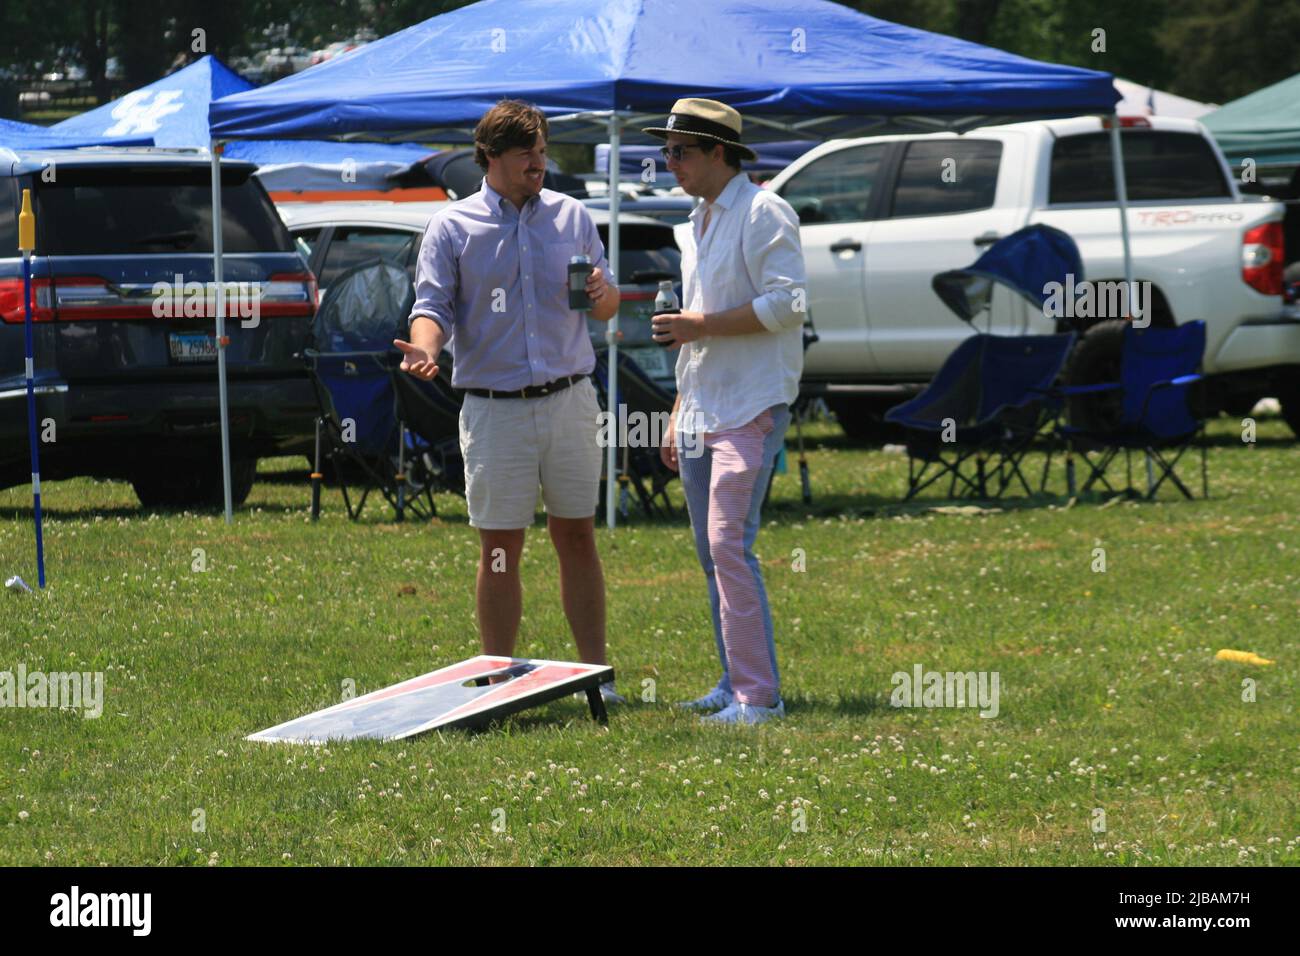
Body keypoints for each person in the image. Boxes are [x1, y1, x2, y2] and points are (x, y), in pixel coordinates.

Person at [395, 99, 625, 702]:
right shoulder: (452, 226)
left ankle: (596, 679)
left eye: (544, 152)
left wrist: (605, 294)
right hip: (495, 409)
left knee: (577, 536)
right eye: (528, 154)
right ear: (491, 157)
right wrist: (426, 351)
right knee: (500, 546)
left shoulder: (572, 217)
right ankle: (497, 681)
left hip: (571, 399)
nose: (539, 164)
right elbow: (431, 308)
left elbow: (604, 304)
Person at [646, 98, 807, 725]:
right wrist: (679, 404)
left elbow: (788, 305)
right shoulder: (701, 217)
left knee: (728, 545)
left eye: (680, 151)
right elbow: (697, 329)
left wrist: (700, 325)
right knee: (710, 553)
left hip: (751, 405)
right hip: (702, 407)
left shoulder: (765, 211)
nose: (670, 162)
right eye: (667, 151)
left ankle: (759, 697)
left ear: (719, 152)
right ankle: (732, 679)